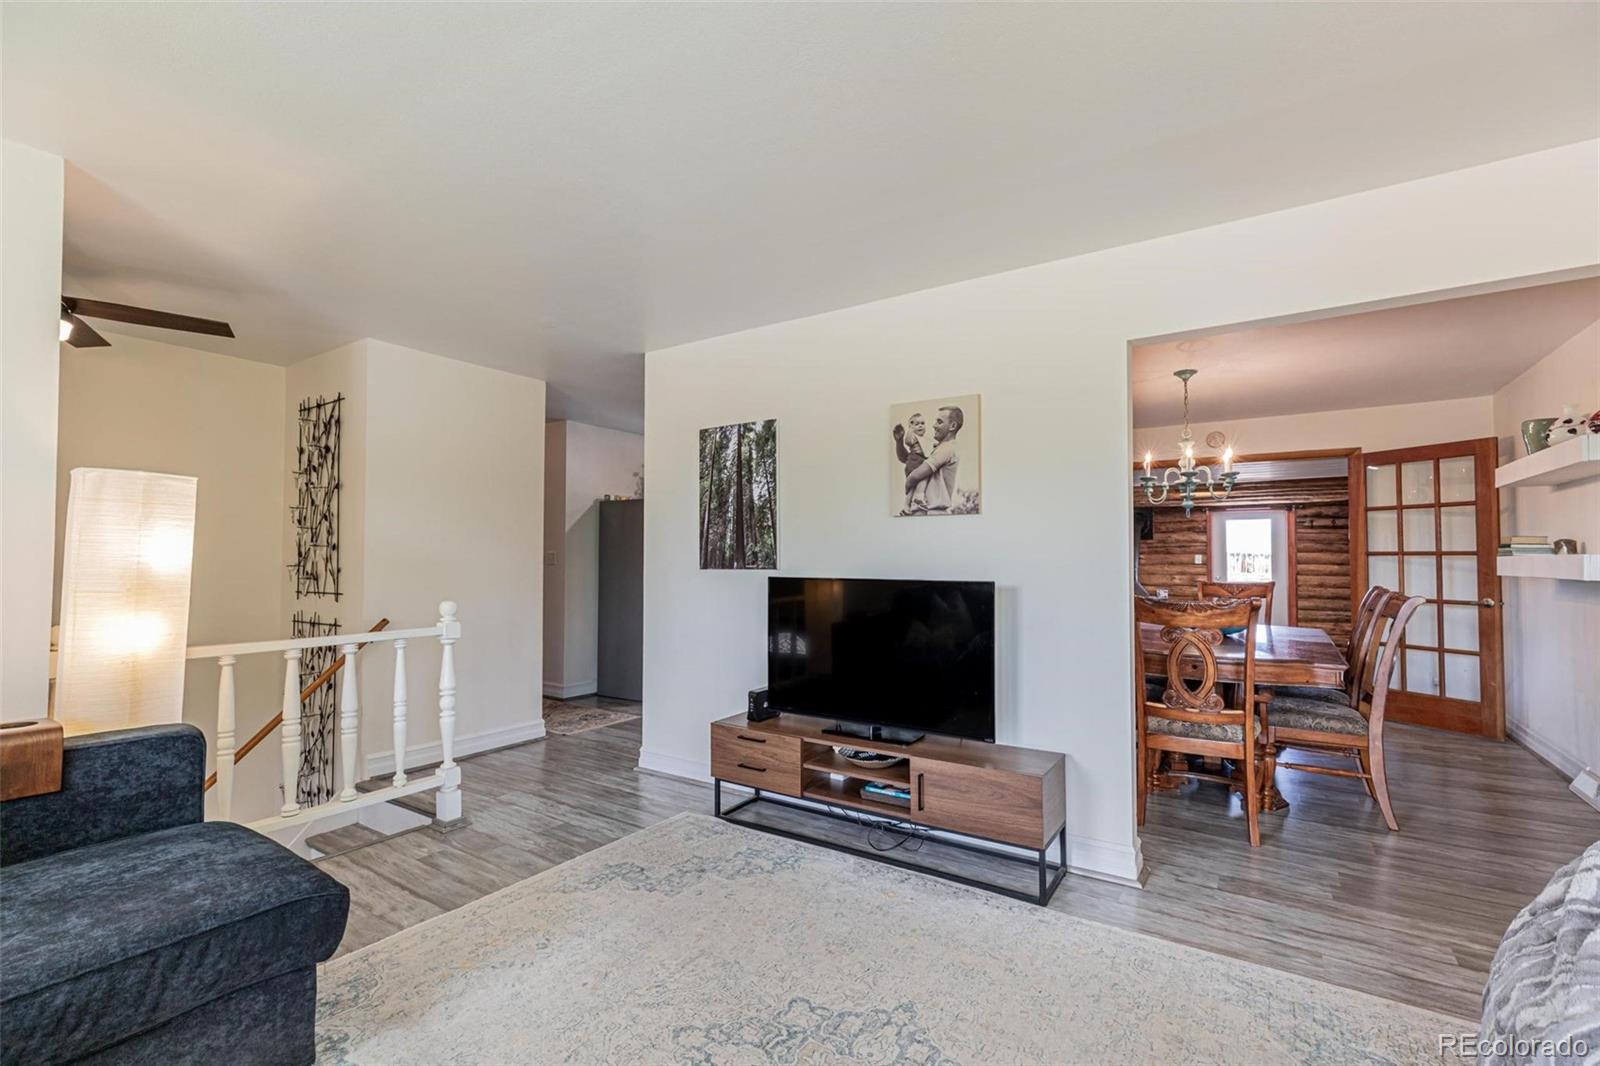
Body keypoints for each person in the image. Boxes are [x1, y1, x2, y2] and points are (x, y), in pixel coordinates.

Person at [905, 405, 963, 514]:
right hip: (926, 512)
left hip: (932, 512)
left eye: (939, 422)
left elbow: (916, 475)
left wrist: (908, 482)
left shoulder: (947, 448)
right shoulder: (940, 447)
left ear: (952, 426)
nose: (934, 426)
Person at [892, 412, 929, 514]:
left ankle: (906, 506)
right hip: (915, 461)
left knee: (912, 487)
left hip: (915, 462)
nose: (920, 425)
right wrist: (910, 431)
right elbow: (908, 440)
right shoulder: (914, 437)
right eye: (917, 424)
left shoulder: (925, 439)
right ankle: (919, 497)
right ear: (911, 426)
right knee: (923, 476)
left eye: (922, 423)